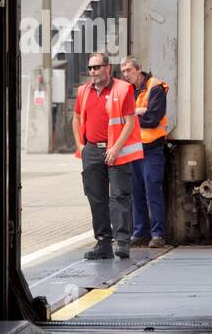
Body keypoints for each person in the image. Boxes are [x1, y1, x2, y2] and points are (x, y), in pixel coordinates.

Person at [72, 52, 144, 259]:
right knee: (96, 197)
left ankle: (122, 242)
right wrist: (80, 145)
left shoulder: (123, 89)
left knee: (119, 195)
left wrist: (115, 148)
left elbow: (130, 121)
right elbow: (76, 118)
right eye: (90, 68)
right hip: (92, 150)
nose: (93, 72)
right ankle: (103, 243)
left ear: (107, 68)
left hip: (116, 150)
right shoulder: (83, 91)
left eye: (97, 67)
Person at [121, 57, 169, 248]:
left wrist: (132, 117)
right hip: (133, 150)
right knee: (136, 193)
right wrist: (139, 111)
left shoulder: (155, 87)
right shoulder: (126, 90)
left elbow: (153, 119)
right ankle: (140, 233)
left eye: (129, 70)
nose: (126, 75)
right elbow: (121, 117)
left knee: (153, 191)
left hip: (152, 150)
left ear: (139, 69)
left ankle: (158, 234)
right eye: (123, 71)